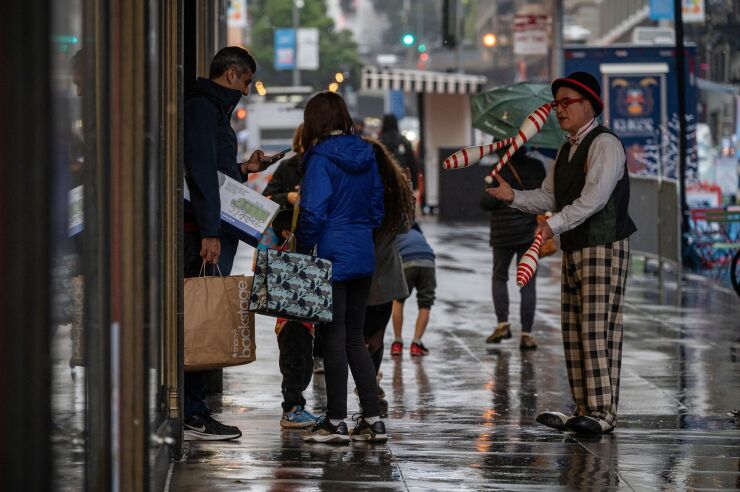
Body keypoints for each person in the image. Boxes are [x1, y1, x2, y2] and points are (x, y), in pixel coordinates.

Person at [487, 71, 637, 435]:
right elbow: (550, 196)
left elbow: (594, 199)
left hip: (603, 244)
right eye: (556, 104)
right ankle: (583, 408)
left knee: (595, 328)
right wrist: (513, 198)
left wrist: (551, 225)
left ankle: (602, 412)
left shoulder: (605, 144)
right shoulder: (567, 149)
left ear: (588, 105)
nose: (558, 110)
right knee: (574, 329)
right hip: (576, 245)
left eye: (566, 102)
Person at [183, 46, 279, 441]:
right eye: (246, 81)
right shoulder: (204, 108)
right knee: (200, 315)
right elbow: (201, 171)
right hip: (204, 231)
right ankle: (191, 410)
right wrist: (208, 232)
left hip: (211, 226)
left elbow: (216, 171)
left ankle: (191, 406)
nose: (247, 89)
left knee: (199, 312)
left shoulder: (211, 109)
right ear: (231, 74)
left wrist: (246, 169)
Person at [297, 92, 386, 443]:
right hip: (362, 253)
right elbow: (377, 208)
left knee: (332, 338)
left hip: (330, 256)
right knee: (354, 338)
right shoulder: (367, 153)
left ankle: (336, 420)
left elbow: (314, 211)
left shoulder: (320, 157)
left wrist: (304, 246)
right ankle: (373, 419)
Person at [362, 139, 415, 416]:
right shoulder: (393, 191)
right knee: (374, 339)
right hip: (386, 277)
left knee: (353, 338)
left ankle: (367, 391)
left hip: (356, 273)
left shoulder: (356, 186)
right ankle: (370, 389)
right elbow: (406, 225)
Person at [479, 147, 546, 350]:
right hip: (529, 232)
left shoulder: (497, 169)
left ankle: (502, 324)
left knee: (500, 276)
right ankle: (526, 334)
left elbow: (485, 203)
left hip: (503, 233)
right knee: (528, 281)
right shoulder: (537, 167)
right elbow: (545, 197)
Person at [263, 209, 319, 429]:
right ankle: (291, 409)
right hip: (290, 323)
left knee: (304, 365)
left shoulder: (297, 252)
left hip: (303, 323)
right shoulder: (283, 255)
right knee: (294, 365)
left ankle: (298, 406)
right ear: (287, 234)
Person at [391, 222, 436, 357]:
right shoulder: (417, 233)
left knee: (398, 300)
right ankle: (416, 344)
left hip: (406, 260)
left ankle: (397, 343)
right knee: (425, 304)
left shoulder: (395, 232)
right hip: (428, 261)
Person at [379, 114, 419, 190]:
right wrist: (414, 185)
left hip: (384, 182)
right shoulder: (404, 141)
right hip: (402, 180)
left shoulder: (379, 142)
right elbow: (412, 163)